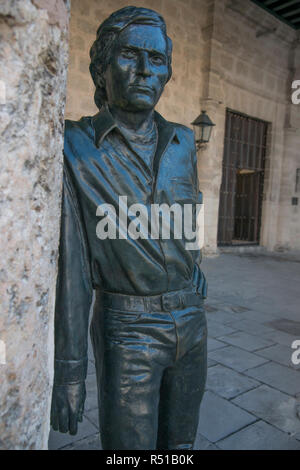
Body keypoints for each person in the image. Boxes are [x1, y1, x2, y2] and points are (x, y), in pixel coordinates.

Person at [50, 6, 208, 450]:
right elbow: (72, 268)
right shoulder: (73, 146)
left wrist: (193, 262)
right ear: (101, 69)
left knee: (180, 449)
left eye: (156, 60)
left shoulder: (182, 141)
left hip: (192, 321)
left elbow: (191, 205)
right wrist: (70, 371)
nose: (143, 71)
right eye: (129, 56)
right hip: (128, 329)